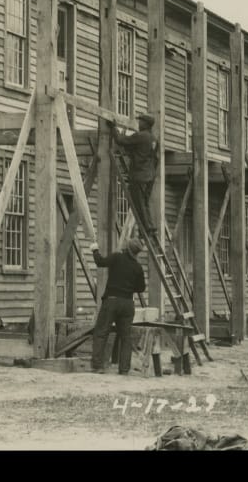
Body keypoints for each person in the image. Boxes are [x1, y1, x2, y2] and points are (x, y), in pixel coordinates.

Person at [89, 236, 146, 374]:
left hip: (112, 301)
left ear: (126, 248)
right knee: (126, 337)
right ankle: (124, 369)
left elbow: (100, 262)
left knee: (101, 332)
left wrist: (95, 249)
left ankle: (98, 366)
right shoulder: (138, 267)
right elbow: (141, 288)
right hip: (127, 304)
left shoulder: (117, 257)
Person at [112, 113, 157, 232]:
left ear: (145, 124)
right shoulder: (153, 139)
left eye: (140, 121)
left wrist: (113, 128)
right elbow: (147, 154)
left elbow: (120, 140)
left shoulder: (141, 136)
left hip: (139, 175)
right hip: (150, 175)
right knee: (145, 202)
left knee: (138, 202)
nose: (139, 123)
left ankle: (146, 228)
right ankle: (151, 226)